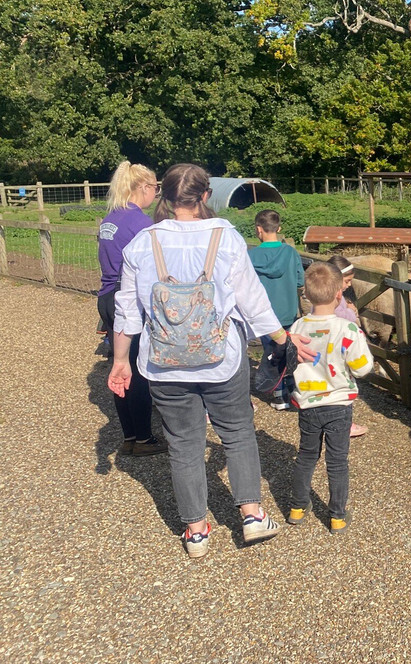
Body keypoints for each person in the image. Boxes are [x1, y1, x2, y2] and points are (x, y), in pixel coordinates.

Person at [107, 163, 309, 559]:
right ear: (204, 197)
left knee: (183, 443)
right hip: (221, 359)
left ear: (163, 196)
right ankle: (251, 515)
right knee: (236, 432)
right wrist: (284, 338)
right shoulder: (227, 238)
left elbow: (126, 309)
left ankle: (196, 531)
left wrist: (120, 361)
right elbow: (251, 299)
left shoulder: (141, 244)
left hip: (164, 362)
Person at [286, 261, 374, 534]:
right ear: (339, 294)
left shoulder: (297, 327)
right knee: (337, 461)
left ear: (307, 294)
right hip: (338, 403)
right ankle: (336, 515)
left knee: (306, 456)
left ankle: (298, 507)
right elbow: (362, 367)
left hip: (308, 403)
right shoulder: (347, 330)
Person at [97, 161, 166, 456]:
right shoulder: (141, 224)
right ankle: (143, 438)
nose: (156, 193)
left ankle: (128, 435)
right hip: (128, 296)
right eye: (155, 188)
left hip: (107, 295)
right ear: (142, 187)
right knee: (137, 370)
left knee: (119, 362)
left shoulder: (110, 218)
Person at [249, 209, 304, 410]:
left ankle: (279, 395)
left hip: (264, 314)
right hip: (288, 310)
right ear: (279, 229)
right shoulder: (290, 252)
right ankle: (293, 390)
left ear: (258, 229)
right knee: (290, 349)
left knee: (271, 352)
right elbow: (300, 280)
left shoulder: (251, 255)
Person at [328, 255, 370, 439]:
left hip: (330, 351)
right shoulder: (335, 302)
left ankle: (332, 421)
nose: (349, 285)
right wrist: (352, 313)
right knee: (343, 387)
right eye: (347, 281)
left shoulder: (328, 297)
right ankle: (345, 424)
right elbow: (344, 319)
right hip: (340, 351)